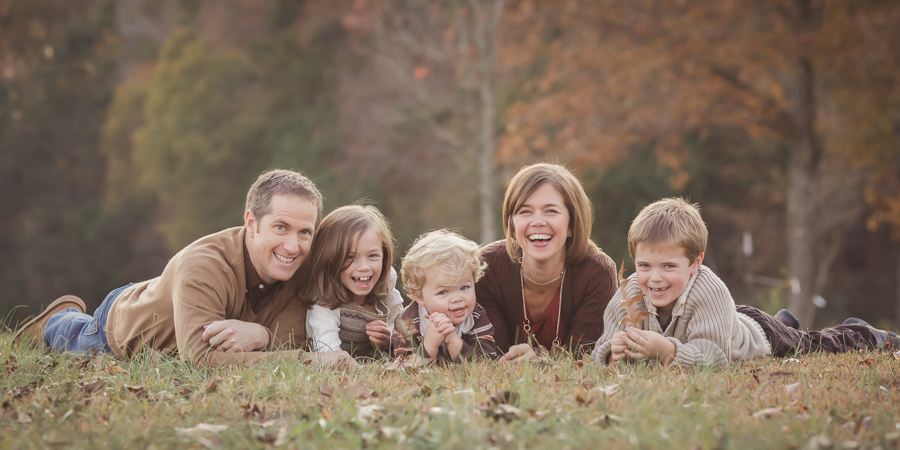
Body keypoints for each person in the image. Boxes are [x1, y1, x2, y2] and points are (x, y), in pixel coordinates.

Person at [13, 169, 354, 367]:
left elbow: (294, 339)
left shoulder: (301, 269)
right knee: (77, 340)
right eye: (281, 227)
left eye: (305, 232)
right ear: (251, 223)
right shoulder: (204, 265)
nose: (293, 247)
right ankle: (56, 321)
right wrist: (312, 362)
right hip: (122, 327)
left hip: (171, 295)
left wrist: (262, 335)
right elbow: (201, 359)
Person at [592, 198, 898, 368]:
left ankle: (864, 333)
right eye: (644, 265)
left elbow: (714, 357)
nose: (655, 277)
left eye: (669, 266)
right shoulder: (630, 293)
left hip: (759, 334)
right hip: (727, 320)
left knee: (812, 345)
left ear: (695, 263)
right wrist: (613, 352)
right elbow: (600, 349)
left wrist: (666, 350)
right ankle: (784, 320)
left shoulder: (708, 289)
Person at [475, 163, 617, 361]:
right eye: (525, 211)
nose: (538, 221)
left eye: (550, 211)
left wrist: (540, 359)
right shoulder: (486, 267)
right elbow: (491, 353)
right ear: (512, 224)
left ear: (572, 224)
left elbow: (584, 355)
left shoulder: (597, 273)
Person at [304, 205, 404, 359]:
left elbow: (401, 325)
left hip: (369, 359)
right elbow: (329, 354)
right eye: (350, 257)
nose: (364, 267)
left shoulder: (386, 281)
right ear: (329, 259)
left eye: (373, 256)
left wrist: (389, 339)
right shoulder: (324, 299)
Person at [394, 229, 498, 363]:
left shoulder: (476, 317)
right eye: (443, 292)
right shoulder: (405, 322)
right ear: (419, 296)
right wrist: (429, 345)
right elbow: (403, 366)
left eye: (464, 287)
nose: (457, 299)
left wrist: (454, 341)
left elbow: (487, 363)